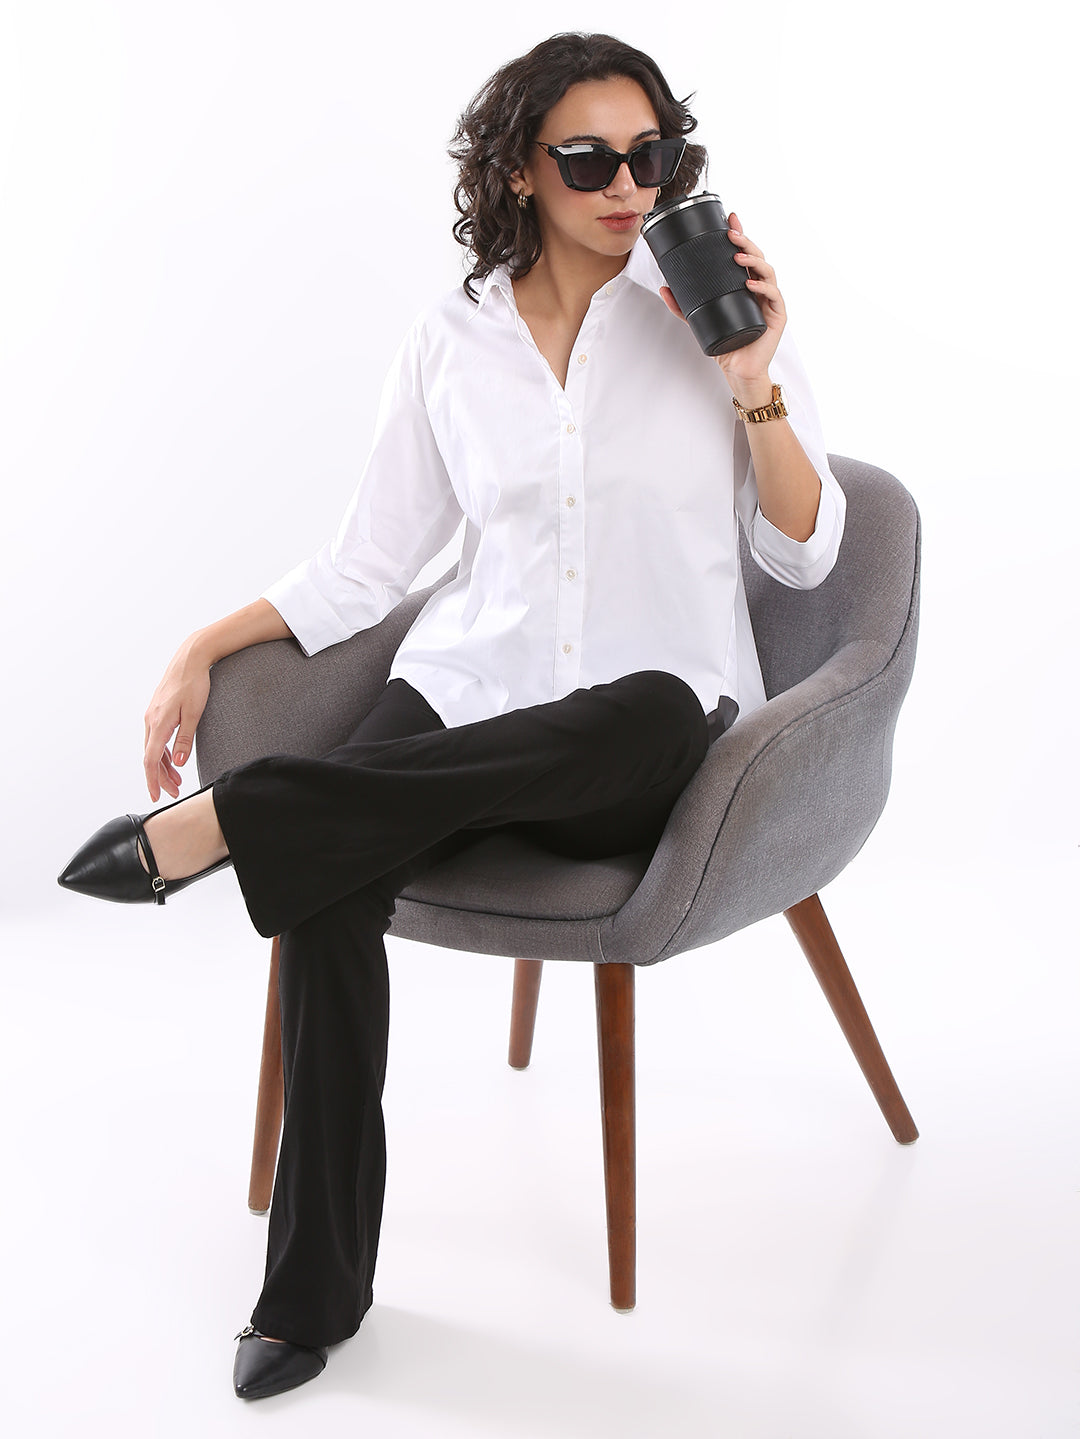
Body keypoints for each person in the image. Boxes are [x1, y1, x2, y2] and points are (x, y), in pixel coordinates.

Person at [58, 31, 845, 1400]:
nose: (628, 186)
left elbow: (808, 554)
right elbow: (370, 565)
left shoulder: (710, 317)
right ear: (521, 171)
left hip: (638, 730)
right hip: (463, 689)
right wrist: (202, 643)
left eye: (651, 156)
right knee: (325, 879)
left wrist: (753, 379)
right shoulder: (453, 339)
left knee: (650, 713)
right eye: (588, 160)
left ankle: (235, 820)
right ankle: (311, 1297)